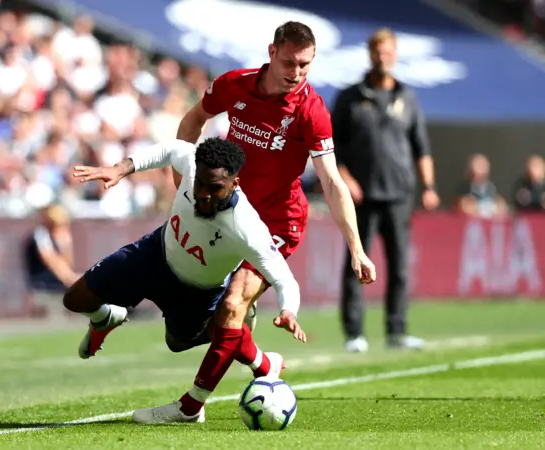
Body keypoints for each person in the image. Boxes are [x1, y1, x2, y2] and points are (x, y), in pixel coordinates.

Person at [132, 21, 375, 424]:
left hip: (278, 222)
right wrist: (184, 184)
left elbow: (332, 182)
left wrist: (357, 248)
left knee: (231, 306)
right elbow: (193, 121)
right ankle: (264, 365)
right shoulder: (234, 84)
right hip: (228, 213)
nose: (297, 73)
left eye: (306, 65)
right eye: (290, 62)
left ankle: (189, 407)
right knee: (187, 331)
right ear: (271, 52)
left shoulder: (311, 111)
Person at [65, 137, 305, 423]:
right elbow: (169, 149)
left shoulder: (247, 229)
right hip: (153, 254)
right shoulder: (194, 164)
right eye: (200, 184)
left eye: (214, 188)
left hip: (196, 294)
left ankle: (257, 362)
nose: (203, 194)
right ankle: (105, 318)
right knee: (75, 298)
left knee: (178, 343)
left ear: (234, 184)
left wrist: (288, 310)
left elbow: (285, 279)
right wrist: (121, 168)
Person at [331, 28, 440, 353]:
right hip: (361, 197)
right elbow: (330, 147)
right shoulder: (351, 96)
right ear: (370, 54)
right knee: (355, 263)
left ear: (395, 55)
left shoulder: (407, 97)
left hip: (400, 195)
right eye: (378, 52)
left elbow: (422, 147)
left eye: (388, 52)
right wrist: (345, 178)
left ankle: (397, 330)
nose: (383, 58)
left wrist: (429, 187)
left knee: (400, 265)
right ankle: (354, 334)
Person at [23, 204, 79, 318]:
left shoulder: (61, 237)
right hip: (44, 291)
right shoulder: (40, 235)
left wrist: (65, 244)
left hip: (61, 291)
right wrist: (72, 279)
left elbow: (67, 263)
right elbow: (53, 262)